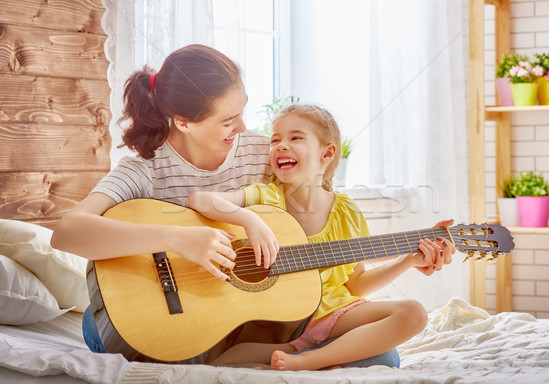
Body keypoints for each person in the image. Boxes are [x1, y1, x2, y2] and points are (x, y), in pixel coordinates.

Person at [49, 44, 410, 367]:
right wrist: (179, 239)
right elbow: (68, 233)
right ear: (183, 122)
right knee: (168, 346)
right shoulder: (144, 169)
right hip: (155, 311)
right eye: (227, 120)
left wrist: (403, 255)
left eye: (242, 112)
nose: (243, 126)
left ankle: (271, 353)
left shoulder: (263, 151)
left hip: (246, 315)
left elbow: (306, 207)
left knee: (382, 357)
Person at [185, 104, 456, 370]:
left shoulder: (346, 211)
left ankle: (306, 361)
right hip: (280, 320)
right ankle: (314, 358)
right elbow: (199, 199)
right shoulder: (264, 197)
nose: (280, 145)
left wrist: (407, 261)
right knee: (382, 359)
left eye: (295, 138)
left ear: (327, 153)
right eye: (275, 140)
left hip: (333, 314)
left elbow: (356, 285)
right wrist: (249, 219)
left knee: (413, 314)